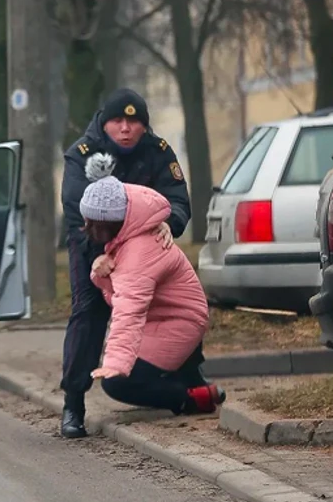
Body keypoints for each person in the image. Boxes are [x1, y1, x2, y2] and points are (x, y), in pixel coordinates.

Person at [59, 88, 196, 438]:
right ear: (105, 123)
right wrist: (103, 252)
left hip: (146, 245)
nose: (125, 129)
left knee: (177, 302)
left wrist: (171, 222)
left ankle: (190, 376)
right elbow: (78, 208)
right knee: (88, 316)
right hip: (93, 246)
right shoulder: (82, 154)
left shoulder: (158, 151)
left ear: (144, 126)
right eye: (117, 121)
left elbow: (178, 197)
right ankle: (74, 404)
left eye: (134, 122)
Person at [78, 166, 226, 414]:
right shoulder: (132, 226)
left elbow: (128, 309)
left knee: (117, 383)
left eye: (90, 223)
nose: (86, 227)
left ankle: (190, 400)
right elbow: (122, 291)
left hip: (179, 320)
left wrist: (116, 363)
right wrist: (99, 270)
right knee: (136, 371)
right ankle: (194, 385)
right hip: (160, 316)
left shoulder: (139, 251)